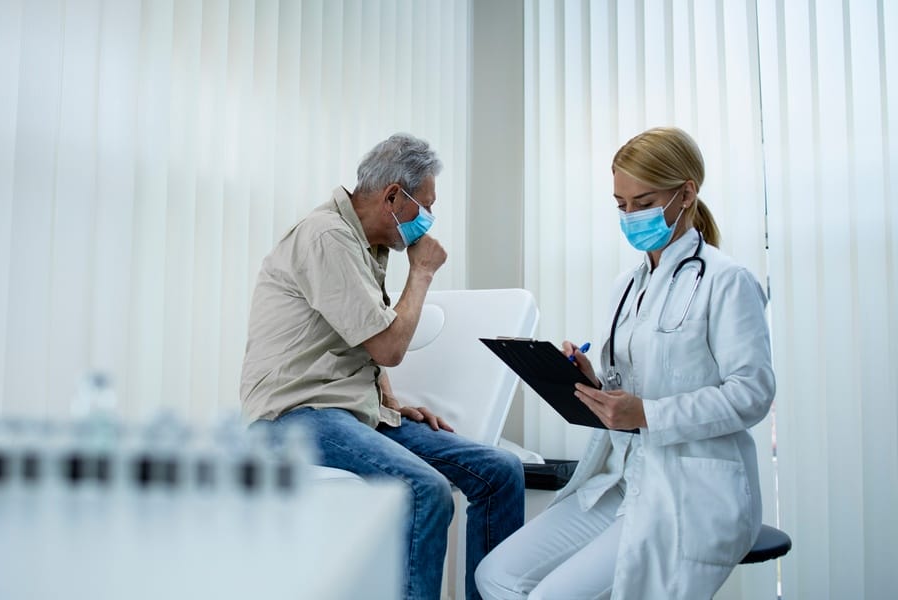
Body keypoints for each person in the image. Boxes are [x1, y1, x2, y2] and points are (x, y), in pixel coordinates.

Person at [474, 127, 776, 599]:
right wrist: (591, 379)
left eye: (643, 201)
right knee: (496, 576)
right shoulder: (628, 285)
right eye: (621, 204)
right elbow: (631, 382)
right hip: (624, 478)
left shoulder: (727, 281)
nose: (630, 215)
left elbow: (752, 394)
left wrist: (648, 414)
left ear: (686, 194)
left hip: (688, 489)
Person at [240, 132, 525, 600]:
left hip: (350, 413)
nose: (429, 219)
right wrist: (423, 272)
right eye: (425, 205)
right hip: (293, 417)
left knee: (501, 471)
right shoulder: (326, 236)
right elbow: (390, 346)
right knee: (424, 491)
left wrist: (388, 401)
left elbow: (359, 338)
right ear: (394, 195)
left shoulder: (364, 242)